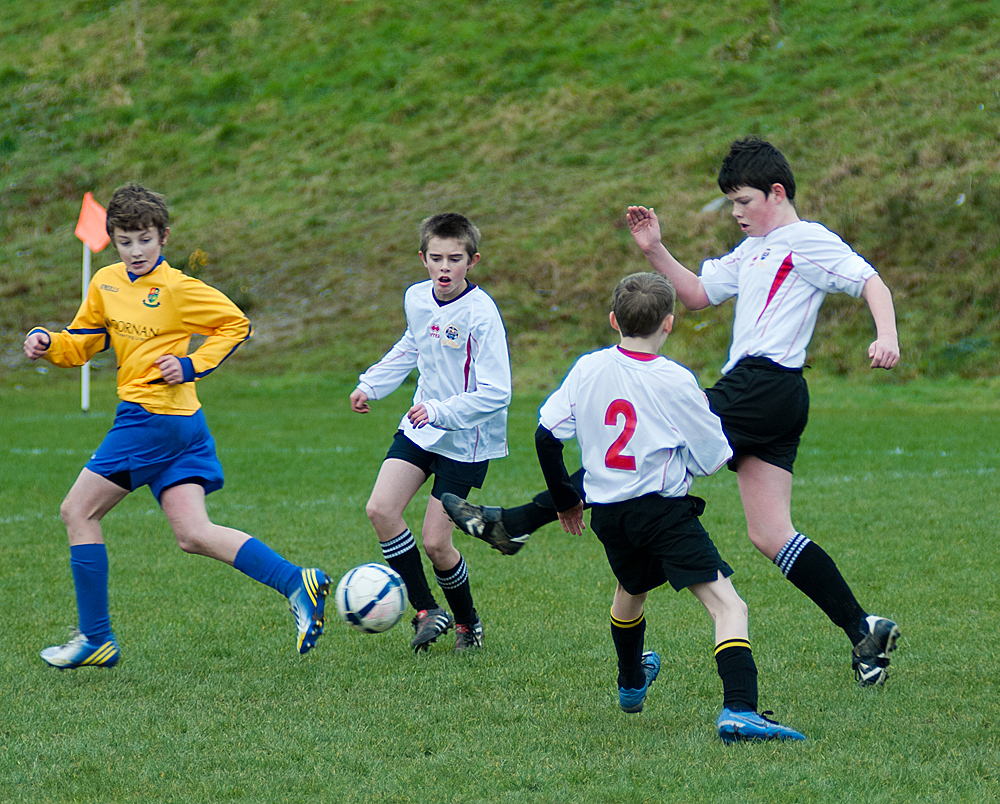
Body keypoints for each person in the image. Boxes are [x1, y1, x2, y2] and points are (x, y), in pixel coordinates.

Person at [444, 137, 901, 687]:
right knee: (771, 533)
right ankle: (862, 630)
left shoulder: (804, 240)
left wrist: (886, 336)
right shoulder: (756, 247)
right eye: (730, 203)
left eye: (743, 201)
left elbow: (869, 279)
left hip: (763, 385)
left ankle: (513, 523)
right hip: (773, 395)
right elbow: (699, 294)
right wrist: (654, 249)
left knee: (642, 445)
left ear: (776, 193)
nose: (735, 213)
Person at [24, 183, 329, 669]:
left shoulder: (179, 288)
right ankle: (298, 582)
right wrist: (49, 341)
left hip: (152, 420)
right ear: (114, 241)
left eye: (145, 239)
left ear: (163, 237)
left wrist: (189, 366)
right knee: (193, 532)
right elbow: (84, 339)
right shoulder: (105, 282)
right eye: (125, 241)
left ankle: (95, 637)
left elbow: (235, 325)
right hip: (181, 426)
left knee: (77, 512)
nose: (136, 250)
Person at [531, 271, 804, 741]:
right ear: (670, 323)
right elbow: (716, 457)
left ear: (614, 319)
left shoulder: (588, 368)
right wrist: (700, 416)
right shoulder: (675, 380)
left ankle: (631, 681)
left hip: (610, 515)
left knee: (630, 590)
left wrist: (566, 500)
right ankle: (740, 709)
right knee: (728, 607)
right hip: (661, 512)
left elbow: (545, 435)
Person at [350, 212, 511, 653]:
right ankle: (426, 610)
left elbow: (497, 392)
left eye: (454, 259)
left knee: (437, 543)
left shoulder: (481, 314)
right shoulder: (417, 298)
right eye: (436, 258)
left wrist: (441, 410)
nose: (444, 268)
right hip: (422, 427)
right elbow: (412, 344)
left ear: (472, 261)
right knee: (381, 509)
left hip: (466, 438)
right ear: (422, 258)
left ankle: (467, 624)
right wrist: (372, 383)